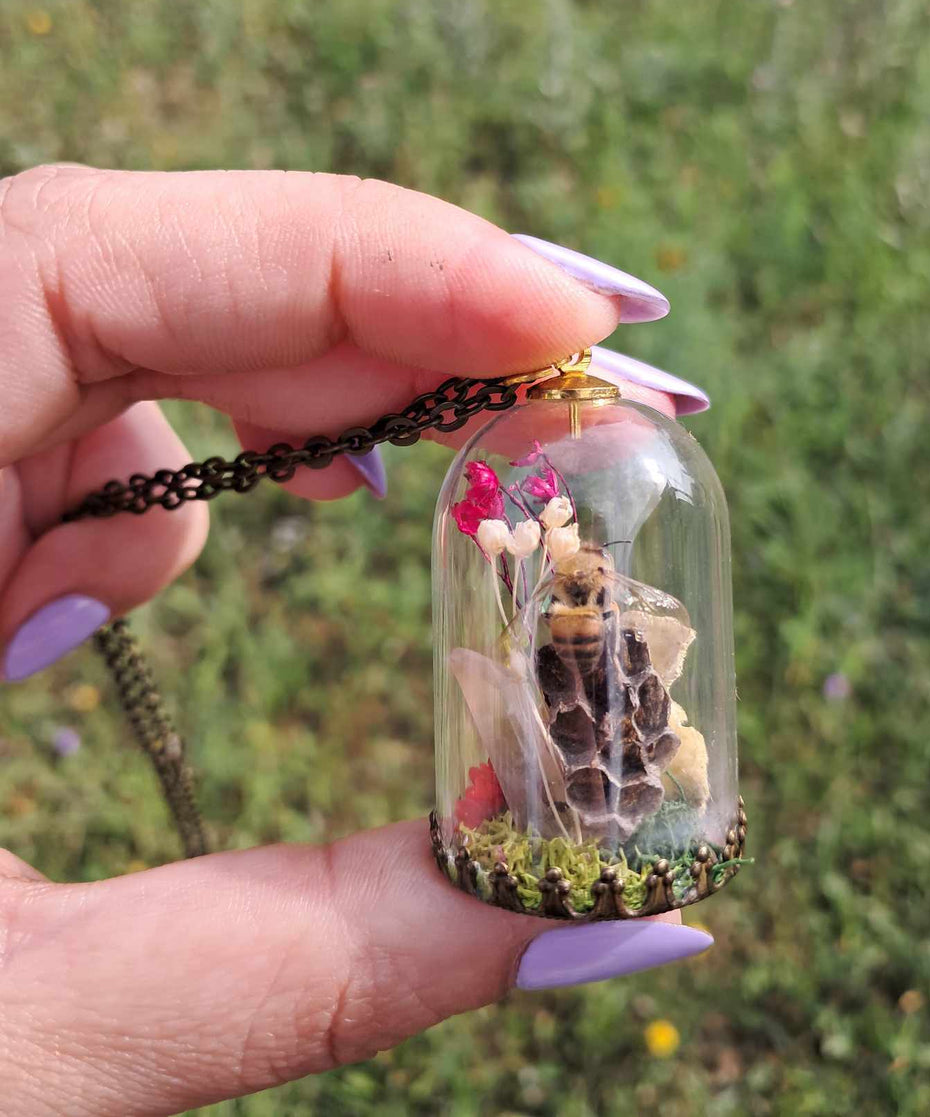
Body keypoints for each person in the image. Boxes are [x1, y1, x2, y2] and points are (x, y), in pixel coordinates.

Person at [0, 164, 715, 1116]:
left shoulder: (598, 591)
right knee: (574, 712)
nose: (584, 572)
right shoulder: (536, 585)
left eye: (588, 572)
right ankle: (576, 788)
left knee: (617, 722)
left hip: (600, 711)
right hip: (564, 689)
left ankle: (611, 790)